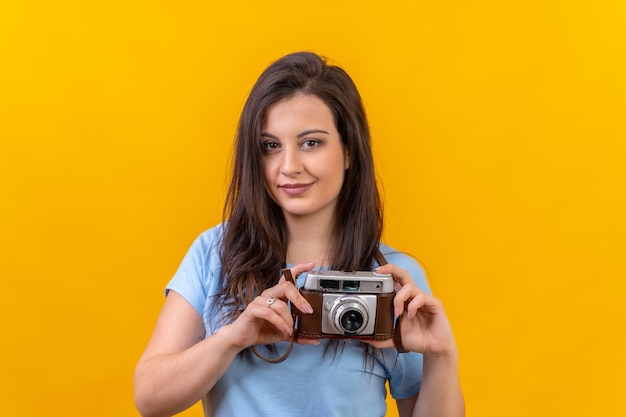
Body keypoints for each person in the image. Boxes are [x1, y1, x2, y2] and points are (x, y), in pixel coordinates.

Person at [134, 51, 464, 417]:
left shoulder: (390, 279)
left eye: (311, 142)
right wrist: (232, 338)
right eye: (270, 146)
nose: (288, 167)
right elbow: (149, 398)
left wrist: (442, 355)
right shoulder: (216, 253)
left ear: (349, 150)